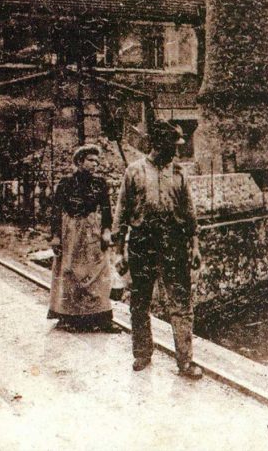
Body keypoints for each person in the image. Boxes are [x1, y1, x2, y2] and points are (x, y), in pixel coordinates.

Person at [115, 121, 203, 379]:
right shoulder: (134, 172)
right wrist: (119, 252)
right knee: (140, 301)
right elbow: (121, 213)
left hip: (174, 242)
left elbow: (190, 213)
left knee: (181, 302)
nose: (176, 151)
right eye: (171, 145)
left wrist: (195, 246)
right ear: (157, 143)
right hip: (142, 242)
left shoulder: (179, 173)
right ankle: (142, 353)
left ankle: (185, 361)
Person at [48, 144, 118, 333]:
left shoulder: (100, 183)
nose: (95, 164)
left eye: (97, 161)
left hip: (92, 231)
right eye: (90, 160)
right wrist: (55, 236)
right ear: (79, 161)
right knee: (70, 271)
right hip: (71, 232)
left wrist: (106, 231)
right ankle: (70, 317)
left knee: (99, 272)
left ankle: (102, 318)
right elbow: (56, 211)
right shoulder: (65, 183)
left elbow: (106, 209)